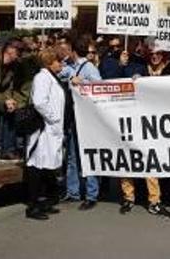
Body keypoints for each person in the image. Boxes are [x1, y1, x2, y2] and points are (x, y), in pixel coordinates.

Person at [117, 45, 170, 219]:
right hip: (135, 119)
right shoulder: (139, 67)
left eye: (159, 54)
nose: (155, 57)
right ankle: (128, 197)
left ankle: (154, 201)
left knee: (151, 162)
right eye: (153, 54)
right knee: (127, 158)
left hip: (156, 123)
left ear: (163, 55)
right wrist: (127, 73)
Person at [25, 48, 67, 220]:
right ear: (50, 62)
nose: (61, 64)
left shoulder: (52, 77)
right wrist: (54, 118)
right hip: (44, 130)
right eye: (59, 61)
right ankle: (33, 206)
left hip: (52, 129)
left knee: (47, 166)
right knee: (38, 166)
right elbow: (40, 102)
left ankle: (44, 202)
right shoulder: (42, 77)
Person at [63, 38, 102, 210]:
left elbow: (99, 87)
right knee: (72, 156)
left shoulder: (89, 68)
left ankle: (91, 194)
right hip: (73, 117)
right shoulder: (70, 66)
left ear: (73, 50)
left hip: (86, 119)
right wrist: (72, 77)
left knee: (88, 156)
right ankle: (73, 192)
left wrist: (83, 83)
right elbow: (59, 73)